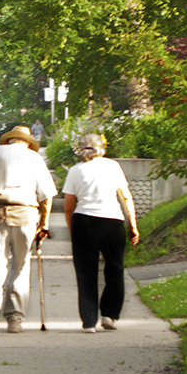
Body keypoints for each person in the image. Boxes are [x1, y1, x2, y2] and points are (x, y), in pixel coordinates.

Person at [0, 125, 57, 334]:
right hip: (25, 214)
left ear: (9, 140)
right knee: (20, 266)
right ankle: (15, 320)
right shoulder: (34, 158)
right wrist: (44, 223)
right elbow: (47, 194)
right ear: (28, 141)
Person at [63, 133, 140, 332]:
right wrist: (133, 224)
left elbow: (69, 206)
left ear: (81, 149)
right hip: (112, 220)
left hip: (85, 221)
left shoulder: (75, 171)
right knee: (115, 268)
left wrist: (72, 229)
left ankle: (89, 321)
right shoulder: (113, 166)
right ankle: (109, 315)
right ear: (102, 149)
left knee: (85, 272)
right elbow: (125, 196)